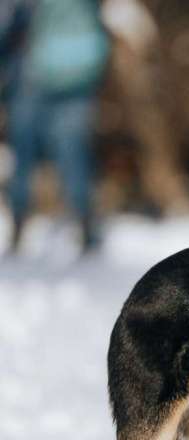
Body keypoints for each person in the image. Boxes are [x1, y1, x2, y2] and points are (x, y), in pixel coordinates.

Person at [0, 0, 110, 255]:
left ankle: (18, 225)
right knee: (73, 155)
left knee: (24, 157)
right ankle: (86, 226)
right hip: (78, 77)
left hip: (31, 77)